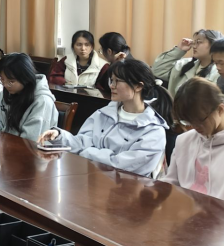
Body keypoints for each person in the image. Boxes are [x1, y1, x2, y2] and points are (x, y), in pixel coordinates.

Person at [38, 59, 171, 177]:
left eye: (117, 81)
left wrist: (87, 153)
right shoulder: (103, 113)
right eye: (111, 80)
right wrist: (60, 136)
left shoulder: (153, 131)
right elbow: (82, 142)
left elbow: (121, 166)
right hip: (91, 182)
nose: (111, 86)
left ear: (138, 86)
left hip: (127, 192)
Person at [162, 78, 224, 201]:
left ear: (220, 109)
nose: (194, 127)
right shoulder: (184, 141)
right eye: (188, 121)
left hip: (220, 213)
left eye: (200, 120)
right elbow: (171, 182)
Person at [0, 53, 57, 141]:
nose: (5, 85)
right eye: (2, 79)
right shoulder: (7, 93)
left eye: (11, 81)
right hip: (7, 145)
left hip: (27, 148)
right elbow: (0, 126)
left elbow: (31, 141)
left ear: (26, 77)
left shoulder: (42, 101)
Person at [153, 29, 224, 97]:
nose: (194, 46)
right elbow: (158, 71)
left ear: (214, 44)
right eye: (194, 43)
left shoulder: (220, 71)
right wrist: (179, 50)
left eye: (199, 42)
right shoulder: (183, 64)